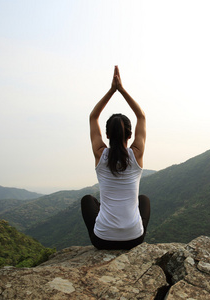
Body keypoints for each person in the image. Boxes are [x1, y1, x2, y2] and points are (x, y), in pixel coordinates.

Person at [81, 66, 150, 250]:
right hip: (134, 239)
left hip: (102, 241)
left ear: (107, 135)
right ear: (130, 135)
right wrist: (122, 90)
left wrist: (112, 90)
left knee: (88, 200)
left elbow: (93, 116)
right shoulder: (137, 154)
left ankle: (107, 229)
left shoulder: (99, 153)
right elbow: (141, 116)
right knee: (144, 200)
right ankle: (130, 231)